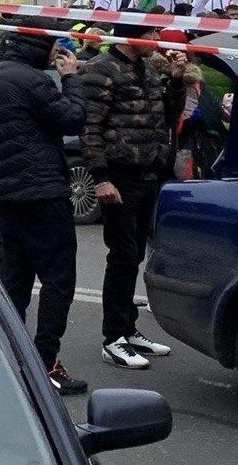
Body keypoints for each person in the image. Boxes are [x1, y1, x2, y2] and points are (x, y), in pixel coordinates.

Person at [0, 19, 89, 394]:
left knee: (16, 280)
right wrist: (70, 78)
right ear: (38, 48)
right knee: (58, 281)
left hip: (7, 194)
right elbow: (72, 118)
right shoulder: (33, 81)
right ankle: (46, 363)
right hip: (43, 194)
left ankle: (8, 355)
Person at [81, 19, 186, 369]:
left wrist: (175, 79)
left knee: (136, 253)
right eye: (150, 34)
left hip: (150, 174)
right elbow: (90, 126)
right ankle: (113, 337)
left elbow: (167, 118)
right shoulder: (101, 69)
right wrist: (100, 177)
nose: (157, 40)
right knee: (122, 255)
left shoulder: (148, 69)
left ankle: (128, 328)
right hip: (120, 177)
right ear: (130, 37)